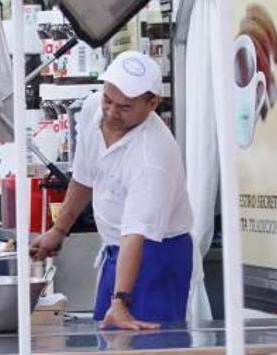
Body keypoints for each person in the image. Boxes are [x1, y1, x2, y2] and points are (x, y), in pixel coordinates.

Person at [32, 51, 194, 330]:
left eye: (125, 108)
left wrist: (120, 301)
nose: (111, 112)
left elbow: (136, 235)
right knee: (108, 345)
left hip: (157, 253)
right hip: (117, 250)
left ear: (152, 103)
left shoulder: (152, 156)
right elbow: (84, 176)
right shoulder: (93, 108)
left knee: (148, 350)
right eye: (109, 99)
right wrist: (59, 231)